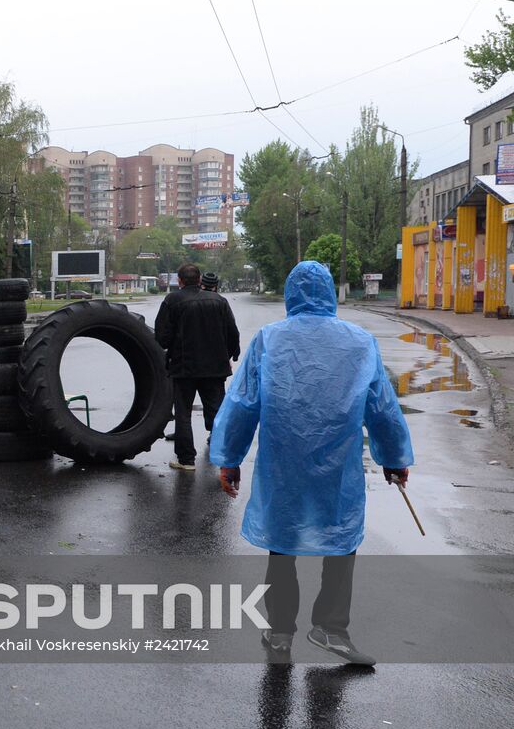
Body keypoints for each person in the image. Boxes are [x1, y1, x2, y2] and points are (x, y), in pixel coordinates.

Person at [211, 262, 413, 665]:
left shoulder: (270, 340)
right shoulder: (360, 342)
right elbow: (383, 408)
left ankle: (281, 632)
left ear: (290, 294)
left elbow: (243, 403)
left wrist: (228, 459)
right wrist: (393, 459)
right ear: (328, 295)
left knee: (282, 545)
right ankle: (332, 628)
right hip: (339, 466)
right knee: (341, 539)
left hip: (282, 465)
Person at [154, 263, 241, 470]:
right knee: (217, 411)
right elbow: (232, 333)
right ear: (200, 280)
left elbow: (162, 337)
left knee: (183, 413)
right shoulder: (219, 301)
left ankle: (186, 460)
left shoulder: (172, 301)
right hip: (215, 368)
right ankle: (223, 455)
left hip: (184, 368)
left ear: (180, 281)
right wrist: (230, 354)